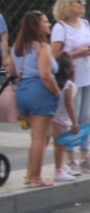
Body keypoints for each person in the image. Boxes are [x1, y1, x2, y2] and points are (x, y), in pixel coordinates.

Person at [50, 0, 90, 174]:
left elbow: (89, 44)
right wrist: (78, 53)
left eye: (83, 0)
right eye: (79, 1)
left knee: (85, 117)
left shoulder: (85, 23)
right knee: (71, 119)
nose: (83, 3)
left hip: (88, 75)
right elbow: (55, 57)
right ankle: (70, 158)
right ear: (67, 5)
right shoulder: (60, 28)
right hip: (71, 80)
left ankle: (85, 156)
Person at [8, 11, 61, 187]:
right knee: (40, 138)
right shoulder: (42, 47)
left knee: (40, 137)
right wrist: (57, 92)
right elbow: (45, 75)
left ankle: (30, 175)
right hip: (40, 93)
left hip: (22, 93)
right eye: (45, 22)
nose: (49, 24)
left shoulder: (17, 47)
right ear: (36, 25)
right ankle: (35, 179)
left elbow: (12, 73)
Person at [52, 53, 80, 182]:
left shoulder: (56, 82)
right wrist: (74, 122)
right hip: (62, 120)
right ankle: (59, 171)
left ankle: (61, 166)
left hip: (54, 118)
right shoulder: (68, 84)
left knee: (58, 145)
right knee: (60, 146)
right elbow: (69, 104)